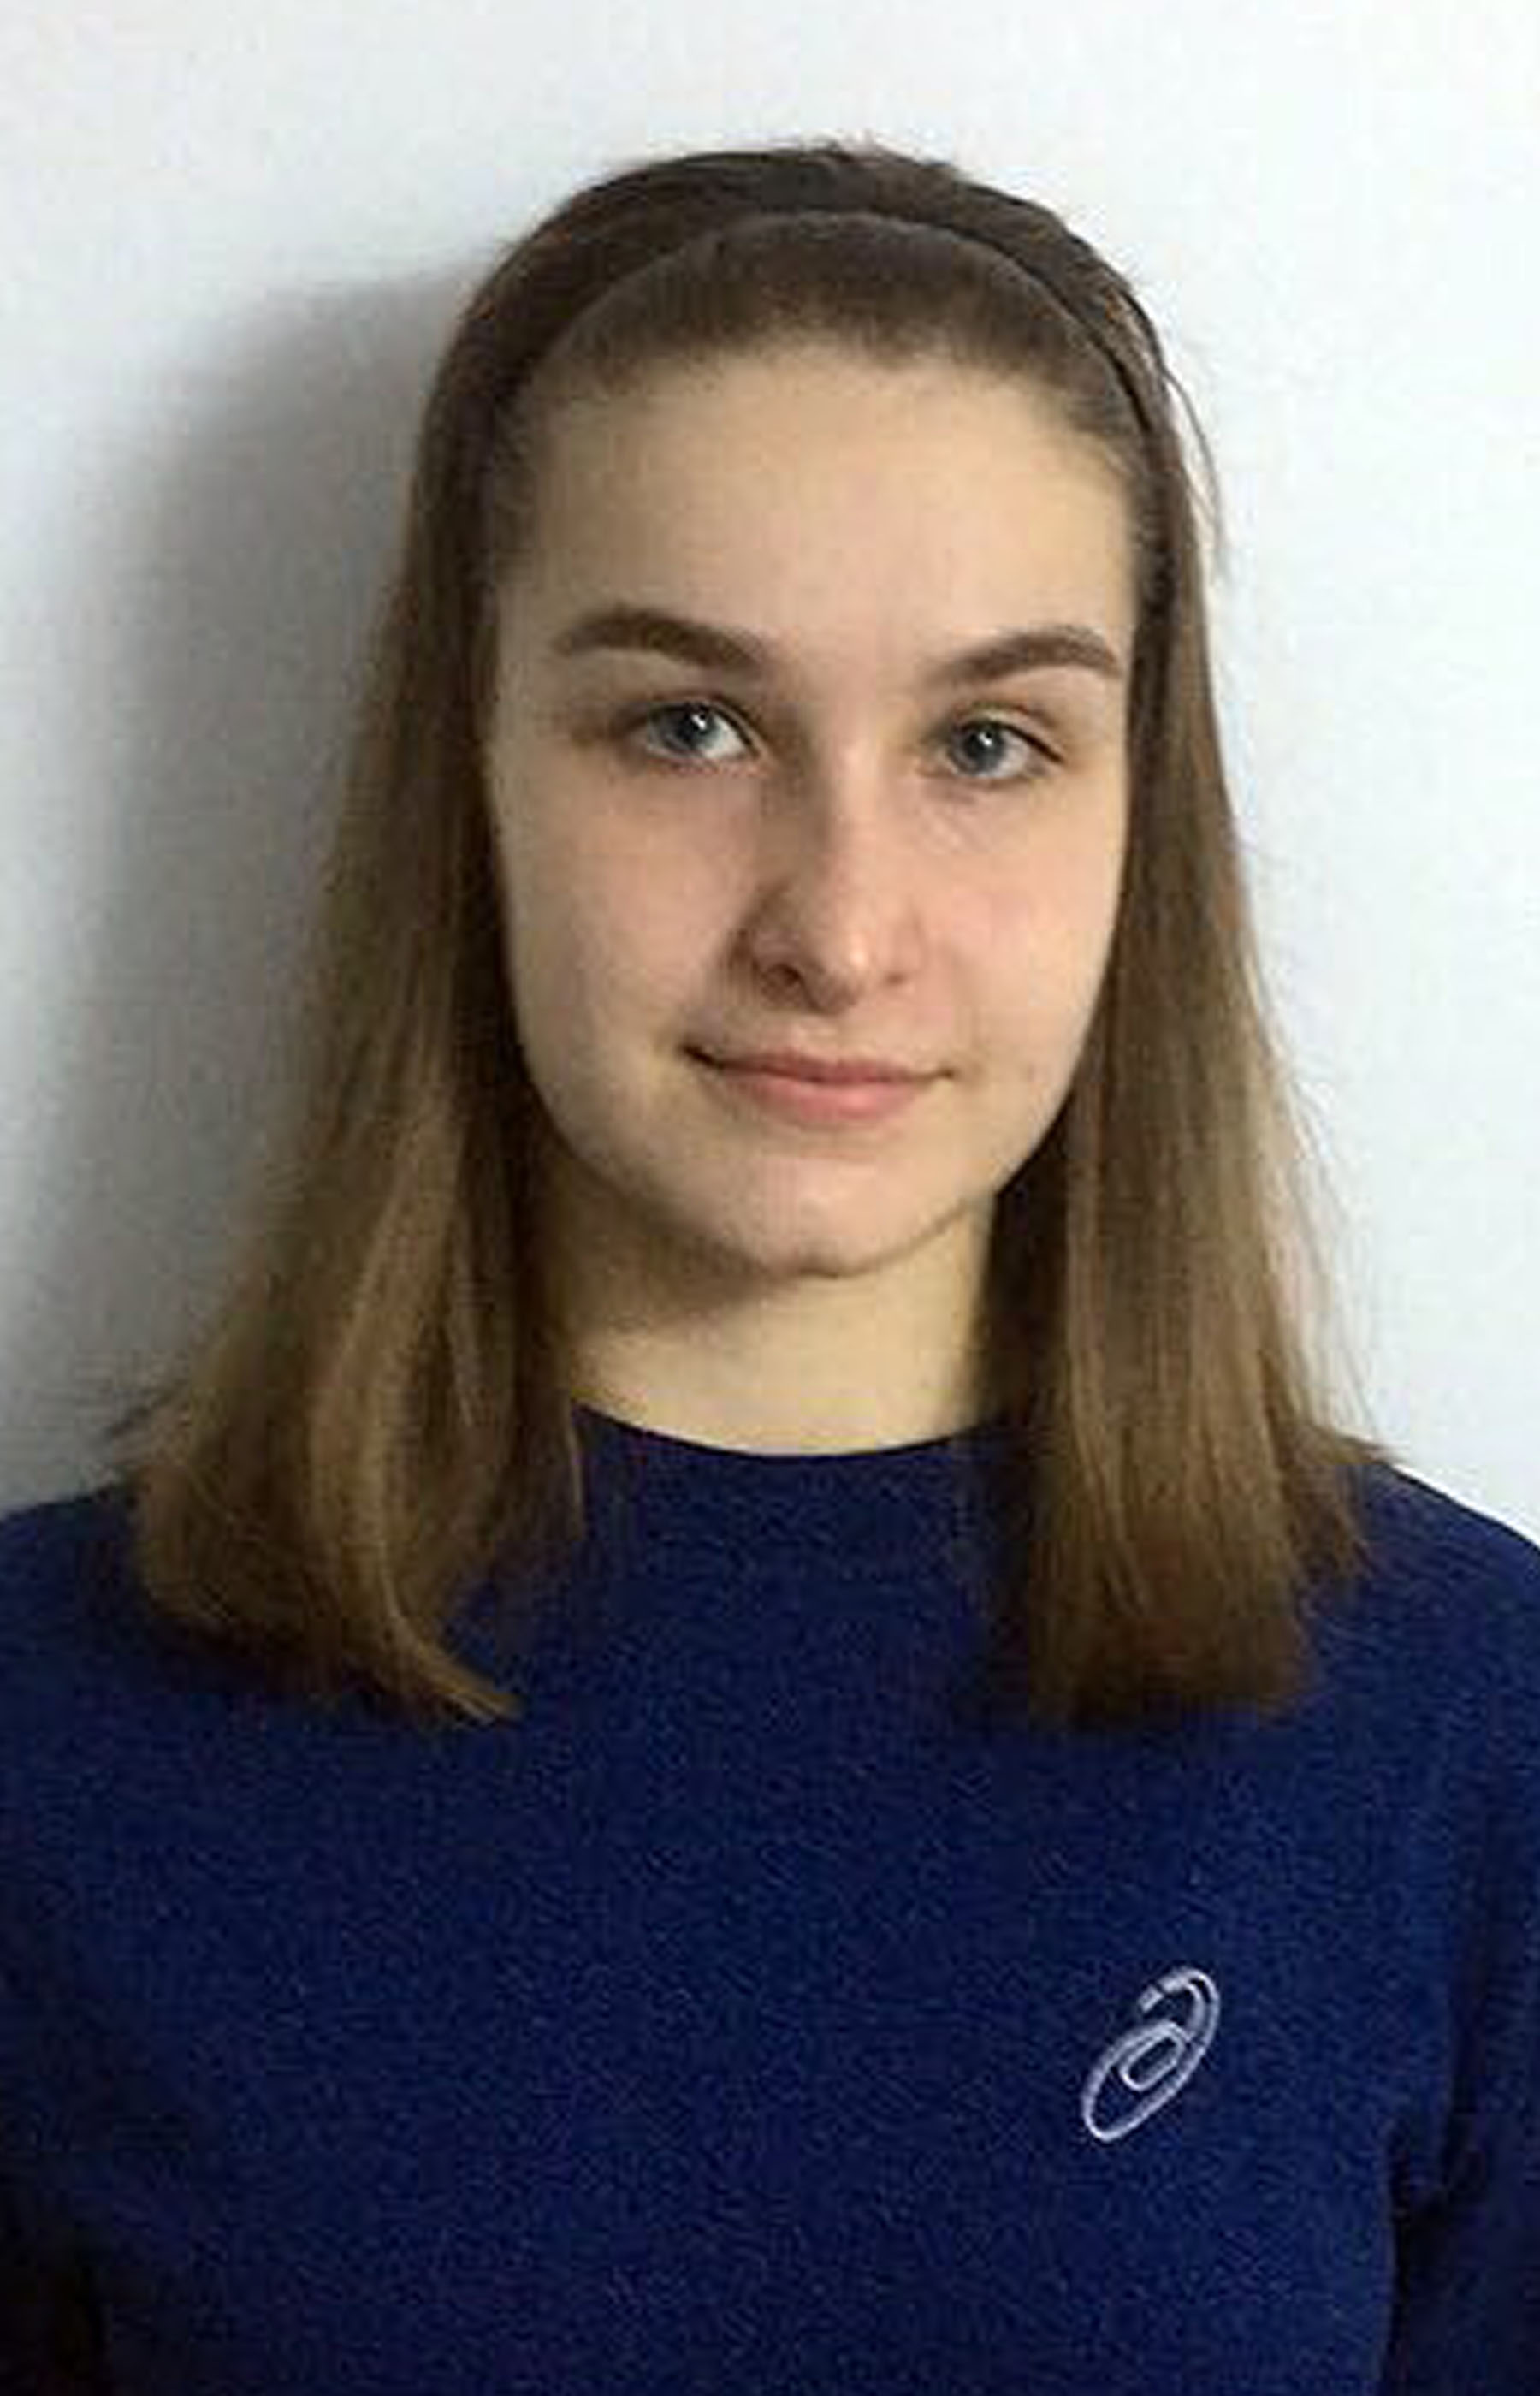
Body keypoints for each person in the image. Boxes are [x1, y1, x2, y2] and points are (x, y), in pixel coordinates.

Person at [1, 136, 1536, 2394]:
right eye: (688, 726)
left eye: (989, 743)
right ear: (474, 788)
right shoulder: (46, 1735)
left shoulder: (1471, 1732)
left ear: (1142, 826)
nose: (838, 926)